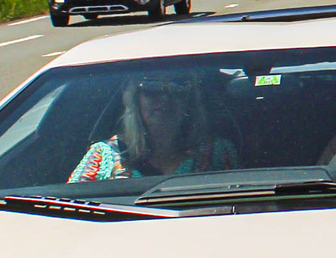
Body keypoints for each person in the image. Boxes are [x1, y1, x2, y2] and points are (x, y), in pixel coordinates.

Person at [70, 74, 241, 181]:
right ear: (135, 100)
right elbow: (71, 210)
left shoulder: (218, 152)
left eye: (178, 88)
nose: (165, 99)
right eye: (152, 89)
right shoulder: (102, 155)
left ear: (189, 100)